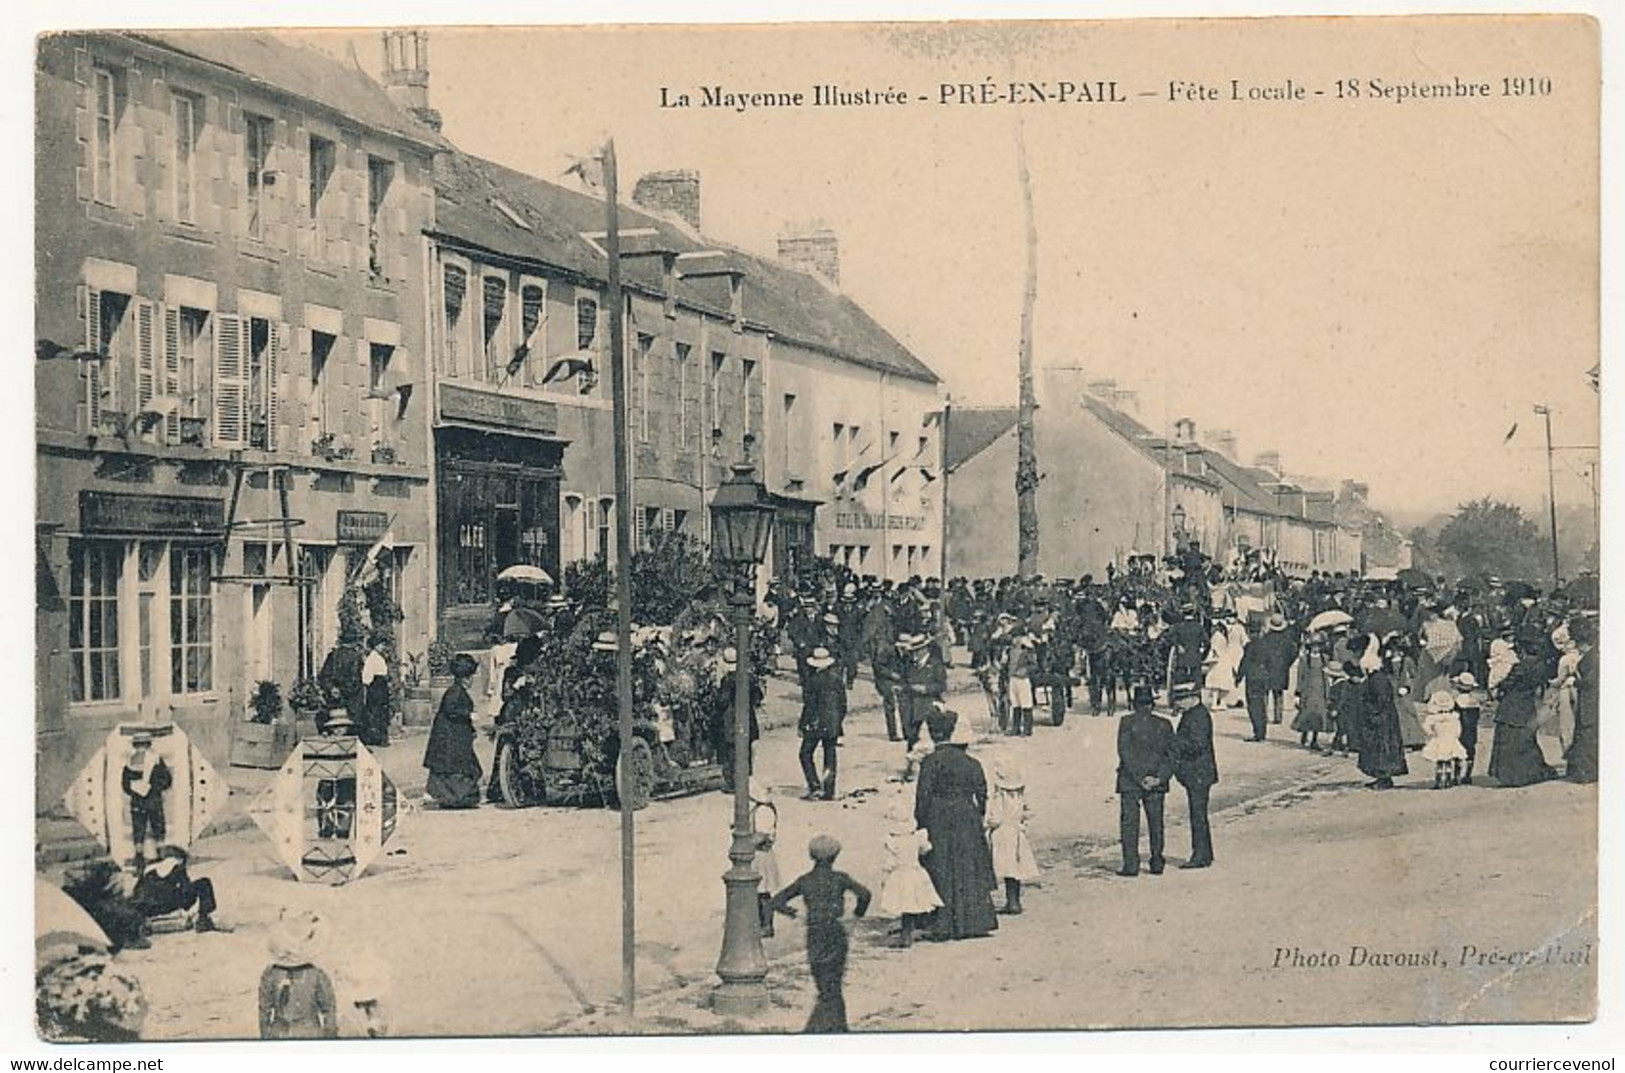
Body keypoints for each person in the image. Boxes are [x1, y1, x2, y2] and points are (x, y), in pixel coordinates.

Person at [769, 835, 872, 1034]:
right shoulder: (840, 878)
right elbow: (865, 894)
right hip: (836, 933)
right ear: (835, 856)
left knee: (824, 987)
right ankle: (837, 1029)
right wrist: (856, 916)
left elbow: (776, 901)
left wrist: (796, 914)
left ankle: (828, 1029)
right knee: (833, 986)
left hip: (815, 934)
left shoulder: (805, 880)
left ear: (811, 855)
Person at [914, 712, 999, 939]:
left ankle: (941, 923)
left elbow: (923, 797)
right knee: (968, 865)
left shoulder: (930, 762)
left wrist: (921, 823)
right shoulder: (972, 763)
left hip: (938, 816)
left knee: (941, 866)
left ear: (933, 734)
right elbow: (982, 795)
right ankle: (974, 922)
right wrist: (977, 817)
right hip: (966, 815)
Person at [1116, 684, 1175, 876]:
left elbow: (1124, 752)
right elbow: (1171, 756)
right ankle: (1157, 861)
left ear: (1134, 704)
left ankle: (1131, 865)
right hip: (1156, 781)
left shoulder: (1126, 722)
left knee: (1130, 824)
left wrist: (1139, 777)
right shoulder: (1165, 724)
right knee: (1156, 822)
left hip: (1130, 781)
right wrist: (1157, 778)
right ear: (1152, 704)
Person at [258, 909, 338, 1040]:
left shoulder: (270, 973)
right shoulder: (317, 974)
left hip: (278, 1034)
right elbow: (329, 1011)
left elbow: (264, 1013)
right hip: (310, 1035)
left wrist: (265, 1039)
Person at [877, 795, 942, 948]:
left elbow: (889, 862)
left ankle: (905, 936)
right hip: (915, 872)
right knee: (913, 903)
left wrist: (885, 874)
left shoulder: (892, 842)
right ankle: (908, 932)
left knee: (903, 903)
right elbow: (925, 849)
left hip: (900, 874)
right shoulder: (917, 837)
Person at [422, 653, 483, 808]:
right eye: (471, 677)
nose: (472, 680)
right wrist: (469, 714)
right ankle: (454, 798)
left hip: (452, 735)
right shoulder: (455, 691)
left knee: (453, 767)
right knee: (455, 768)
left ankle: (450, 797)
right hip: (450, 737)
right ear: (465, 678)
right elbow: (451, 709)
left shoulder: (455, 690)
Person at [1487, 656, 1558, 788]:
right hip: (1527, 704)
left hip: (1512, 703)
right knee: (1525, 740)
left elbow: (1508, 683)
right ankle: (1525, 774)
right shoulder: (1541, 665)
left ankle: (1509, 776)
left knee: (1508, 739)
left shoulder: (1520, 666)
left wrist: (1500, 686)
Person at [1169, 682, 1217, 869]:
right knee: (1199, 814)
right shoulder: (1195, 714)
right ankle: (1205, 853)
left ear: (1192, 698)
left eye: (1181, 699)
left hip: (1199, 773)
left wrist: (1173, 742)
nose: (1178, 704)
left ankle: (1200, 856)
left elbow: (1197, 745)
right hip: (1200, 773)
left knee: (1198, 815)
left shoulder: (1197, 717)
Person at [985, 754, 1040, 913]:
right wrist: (1022, 822)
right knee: (1015, 869)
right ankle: (1014, 901)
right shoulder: (1020, 795)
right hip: (1017, 832)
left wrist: (987, 824)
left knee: (999, 867)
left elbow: (995, 817)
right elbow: (1029, 811)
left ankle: (995, 902)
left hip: (1001, 834)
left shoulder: (1000, 796)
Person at [131, 845, 223, 934]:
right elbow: (186, 888)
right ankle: (203, 919)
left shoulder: (148, 869)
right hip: (166, 903)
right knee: (204, 883)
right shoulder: (177, 866)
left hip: (147, 908)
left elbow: (137, 892)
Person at [714, 645, 764, 792]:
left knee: (731, 752)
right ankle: (745, 779)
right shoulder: (749, 677)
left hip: (731, 719)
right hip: (748, 717)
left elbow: (721, 701)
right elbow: (758, 696)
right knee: (746, 749)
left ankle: (733, 783)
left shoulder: (727, 680)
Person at [1236, 614, 1294, 741]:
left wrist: (1239, 677)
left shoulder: (1256, 644)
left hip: (1255, 676)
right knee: (1278, 695)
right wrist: (1285, 665)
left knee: (1257, 702)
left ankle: (1260, 728)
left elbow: (1244, 662)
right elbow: (1291, 653)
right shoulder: (1286, 639)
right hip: (1271, 672)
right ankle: (1277, 717)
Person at [798, 646, 846, 801]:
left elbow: (810, 706)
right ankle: (829, 789)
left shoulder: (812, 682)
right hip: (832, 723)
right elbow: (843, 705)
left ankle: (815, 786)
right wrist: (838, 721)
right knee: (830, 755)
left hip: (816, 724)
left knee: (805, 753)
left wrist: (802, 725)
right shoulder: (837, 680)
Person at [1358, 650, 1409, 790]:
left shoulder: (1377, 679)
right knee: (1381, 748)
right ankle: (1382, 777)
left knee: (1382, 748)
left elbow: (1381, 700)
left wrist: (1371, 711)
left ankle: (1384, 778)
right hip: (1383, 717)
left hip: (1381, 719)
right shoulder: (1378, 677)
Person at [120, 731, 171, 871]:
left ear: (135, 745)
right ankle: (161, 857)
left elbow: (125, 785)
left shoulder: (129, 762)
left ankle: (139, 859)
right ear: (149, 744)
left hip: (137, 802)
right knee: (158, 828)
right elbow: (167, 780)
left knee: (138, 830)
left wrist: (135, 790)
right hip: (154, 801)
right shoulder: (156, 760)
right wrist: (155, 788)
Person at [317, 624, 367, 737]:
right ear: (354, 642)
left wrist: (332, 689)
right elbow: (356, 679)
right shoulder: (356, 657)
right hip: (352, 699)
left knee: (334, 725)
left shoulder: (333, 655)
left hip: (334, 697)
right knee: (353, 726)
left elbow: (324, 675)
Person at [1565, 617, 1598, 783]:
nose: (1577, 645)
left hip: (1592, 698)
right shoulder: (1591, 654)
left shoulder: (1594, 657)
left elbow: (1593, 681)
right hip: (1587, 698)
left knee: (1588, 733)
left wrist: (1575, 681)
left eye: (1578, 641)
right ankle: (1582, 770)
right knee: (1584, 732)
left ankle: (1587, 772)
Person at [749, 779, 783, 938]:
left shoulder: (763, 811)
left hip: (761, 855)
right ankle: (760, 923)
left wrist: (745, 842)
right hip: (759, 855)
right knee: (757, 892)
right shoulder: (760, 809)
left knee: (762, 892)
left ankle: (766, 925)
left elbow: (761, 835)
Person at [1420, 689, 1467, 788]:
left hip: (1439, 740)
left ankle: (1439, 780)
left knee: (1440, 762)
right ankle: (1448, 779)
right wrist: (1455, 737)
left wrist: (1432, 734)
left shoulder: (1433, 718)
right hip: (1451, 741)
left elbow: (1426, 728)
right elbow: (1458, 730)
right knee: (1448, 761)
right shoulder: (1453, 717)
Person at [1292, 636, 1332, 752]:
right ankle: (1305, 733)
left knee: (1319, 715)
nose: (1316, 648)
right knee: (1307, 713)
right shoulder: (1304, 660)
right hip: (1308, 690)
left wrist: (1327, 692)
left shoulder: (1324, 658)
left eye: (1318, 645)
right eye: (1314, 646)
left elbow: (1326, 676)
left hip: (1320, 690)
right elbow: (1300, 677)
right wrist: (1298, 692)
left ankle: (1314, 739)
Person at [1451, 672, 1486, 784]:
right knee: (1470, 751)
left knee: (1458, 752)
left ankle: (1456, 776)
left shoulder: (1456, 700)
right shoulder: (1474, 701)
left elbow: (1454, 715)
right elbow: (1477, 716)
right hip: (1471, 730)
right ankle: (1468, 775)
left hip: (1460, 729)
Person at [360, 635, 392, 747]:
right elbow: (367, 675)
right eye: (381, 645)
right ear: (376, 646)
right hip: (376, 686)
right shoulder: (372, 658)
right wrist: (368, 686)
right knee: (375, 711)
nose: (383, 647)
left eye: (383, 644)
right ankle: (376, 738)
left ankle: (381, 737)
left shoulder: (379, 657)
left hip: (381, 685)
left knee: (382, 711)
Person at [1005, 633, 1037, 737]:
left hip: (1023, 680)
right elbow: (1006, 664)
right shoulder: (1009, 651)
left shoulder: (1027, 651)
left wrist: (1025, 670)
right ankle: (1016, 728)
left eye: (1016, 637)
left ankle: (1027, 730)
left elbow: (1034, 666)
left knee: (1026, 704)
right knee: (1015, 704)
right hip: (1013, 679)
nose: (1014, 640)